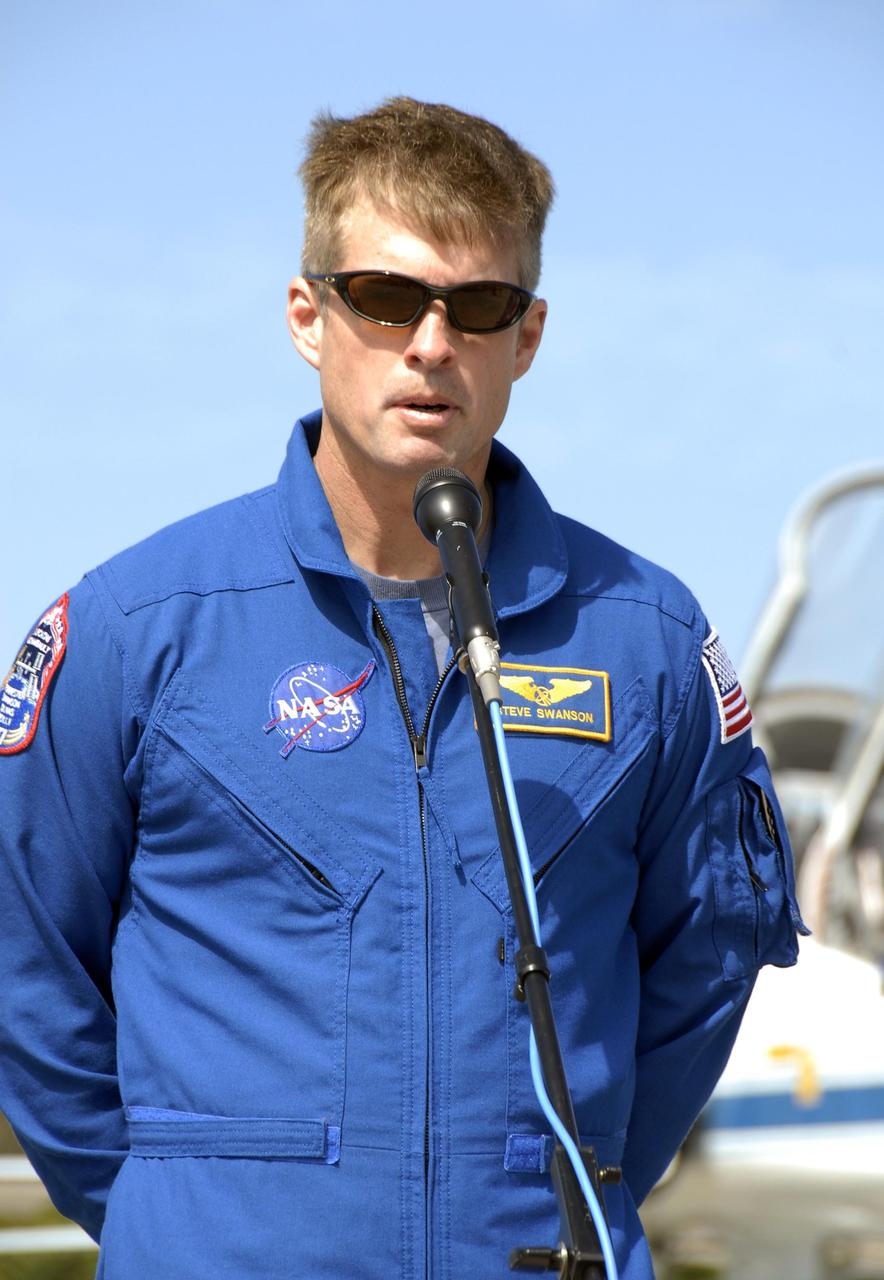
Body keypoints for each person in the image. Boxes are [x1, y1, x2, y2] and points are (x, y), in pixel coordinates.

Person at [0, 98, 806, 1280]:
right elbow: (25, 951)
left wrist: (562, 1173)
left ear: (525, 337)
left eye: (474, 307)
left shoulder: (647, 637)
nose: (430, 344)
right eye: (384, 298)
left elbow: (705, 959)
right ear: (306, 315)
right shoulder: (136, 625)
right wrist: (180, 1212)